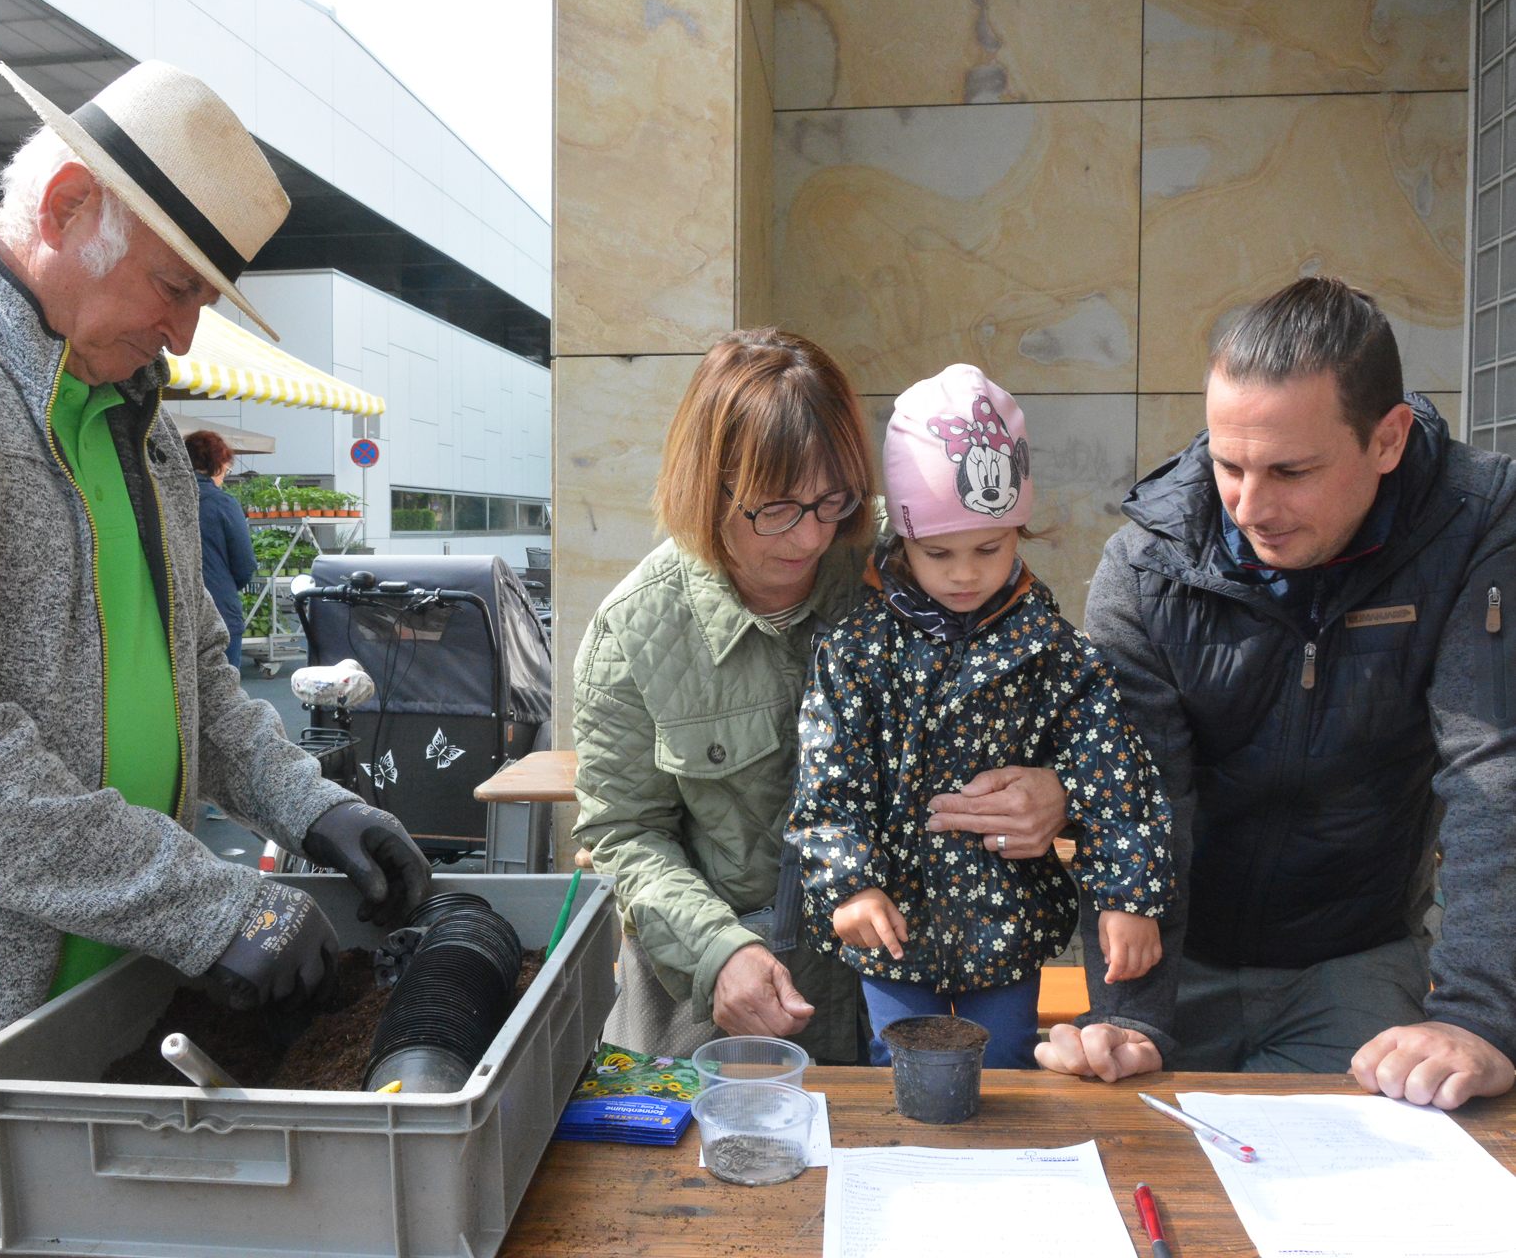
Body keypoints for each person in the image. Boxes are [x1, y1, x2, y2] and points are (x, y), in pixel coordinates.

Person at [0, 60, 429, 1252]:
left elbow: (196, 671)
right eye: (173, 284)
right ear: (63, 209)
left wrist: (314, 803)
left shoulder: (132, 406)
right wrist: (207, 901)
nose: (184, 329)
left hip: (107, 1033)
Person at [1036, 277, 1516, 1112]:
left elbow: (1492, 769)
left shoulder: (1477, 525)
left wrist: (1478, 1016)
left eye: (1291, 470)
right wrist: (1131, 1017)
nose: (1251, 507)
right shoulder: (1144, 567)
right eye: (1228, 464)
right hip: (1174, 961)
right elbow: (1141, 793)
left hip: (1355, 961)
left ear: (1389, 439)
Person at [571, 330, 1067, 1063]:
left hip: (895, 990)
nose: (808, 536)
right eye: (775, 509)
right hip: (718, 1015)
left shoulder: (908, 566)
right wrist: (717, 952)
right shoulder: (636, 628)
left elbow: (1051, 700)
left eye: (831, 500)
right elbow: (622, 835)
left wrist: (1055, 791)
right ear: (706, 487)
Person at [787, 364, 1174, 1068]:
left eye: (989, 549)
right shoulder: (857, 649)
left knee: (1004, 1074)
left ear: (1021, 529)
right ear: (901, 539)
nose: (965, 573)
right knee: (902, 1075)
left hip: (1008, 925)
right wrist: (850, 883)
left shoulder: (1050, 649)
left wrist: (1129, 896)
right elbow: (827, 782)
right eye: (939, 553)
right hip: (894, 928)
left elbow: (1116, 773)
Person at [184, 429, 257, 669]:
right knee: (224, 696)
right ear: (218, 465)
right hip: (220, 610)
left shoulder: (163, 500)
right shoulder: (223, 503)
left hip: (175, 614)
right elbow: (245, 564)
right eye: (226, 468)